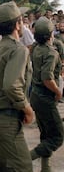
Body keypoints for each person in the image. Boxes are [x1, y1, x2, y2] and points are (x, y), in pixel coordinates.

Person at [0, 1, 34, 172]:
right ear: (18, 24)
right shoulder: (18, 49)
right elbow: (12, 86)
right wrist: (27, 109)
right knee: (23, 168)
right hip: (6, 119)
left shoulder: (0, 47)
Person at [29, 17, 63, 172]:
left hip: (36, 96)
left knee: (46, 134)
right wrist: (58, 91)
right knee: (57, 137)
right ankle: (24, 159)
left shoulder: (35, 48)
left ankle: (45, 168)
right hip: (45, 97)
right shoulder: (51, 53)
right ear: (51, 34)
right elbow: (47, 78)